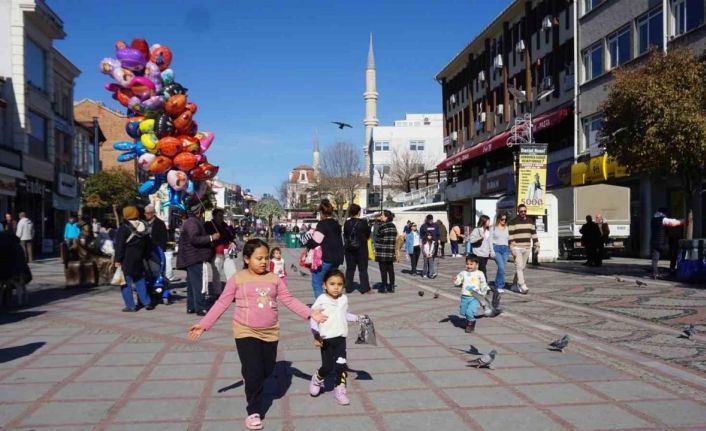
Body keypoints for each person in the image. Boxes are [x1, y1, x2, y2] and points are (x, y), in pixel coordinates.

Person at [188, 239, 326, 431]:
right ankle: (254, 411)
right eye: (258, 258)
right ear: (246, 258)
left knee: (267, 370)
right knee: (254, 373)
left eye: (266, 258)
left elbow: (289, 300)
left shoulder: (273, 279)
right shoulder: (238, 279)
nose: (263, 261)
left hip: (270, 332)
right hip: (245, 331)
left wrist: (311, 314)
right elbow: (221, 303)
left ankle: (250, 376)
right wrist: (204, 325)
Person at [308, 269, 362, 405]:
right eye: (332, 284)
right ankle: (317, 379)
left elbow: (344, 314)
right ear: (324, 285)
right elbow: (313, 318)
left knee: (341, 366)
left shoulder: (344, 299)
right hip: (326, 339)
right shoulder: (321, 300)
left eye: (339, 284)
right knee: (327, 367)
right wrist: (316, 335)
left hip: (340, 339)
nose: (336, 287)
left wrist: (356, 318)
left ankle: (340, 390)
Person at [177, 201, 219, 316]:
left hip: (192, 256)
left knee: (191, 284)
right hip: (194, 257)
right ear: (199, 211)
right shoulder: (192, 222)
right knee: (198, 284)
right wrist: (211, 237)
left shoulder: (193, 221)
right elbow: (194, 239)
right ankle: (200, 308)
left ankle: (191, 307)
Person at [114, 206, 153, 312]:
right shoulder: (144, 226)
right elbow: (148, 245)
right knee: (140, 281)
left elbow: (120, 246)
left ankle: (131, 306)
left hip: (127, 259)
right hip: (139, 259)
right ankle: (147, 302)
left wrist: (117, 260)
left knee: (126, 283)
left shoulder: (124, 228)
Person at [306, 199, 344, 299]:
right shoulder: (336, 224)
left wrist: (307, 243)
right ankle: (333, 304)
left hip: (326, 258)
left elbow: (316, 241)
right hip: (337, 258)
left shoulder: (322, 224)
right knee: (330, 283)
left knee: (317, 282)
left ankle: (322, 307)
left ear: (322, 213)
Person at [455, 255, 490, 333]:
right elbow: (458, 281)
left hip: (475, 297)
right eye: (467, 264)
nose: (469, 266)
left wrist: (483, 294)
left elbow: (483, 284)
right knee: (463, 312)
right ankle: (468, 321)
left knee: (470, 312)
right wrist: (456, 281)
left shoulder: (480, 273)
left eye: (471, 264)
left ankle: (471, 323)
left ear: (476, 265)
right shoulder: (463, 273)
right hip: (464, 296)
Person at [508, 204, 539, 294]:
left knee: (522, 268)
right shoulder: (513, 222)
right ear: (518, 211)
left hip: (527, 248)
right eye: (521, 211)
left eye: (525, 211)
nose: (523, 213)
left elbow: (534, 234)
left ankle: (514, 285)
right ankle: (522, 284)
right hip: (516, 247)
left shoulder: (530, 221)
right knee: (519, 267)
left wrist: (537, 245)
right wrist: (512, 248)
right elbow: (510, 236)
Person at [206, 208, 236, 296]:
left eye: (222, 215)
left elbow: (232, 236)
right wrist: (213, 237)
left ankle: (231, 292)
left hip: (228, 251)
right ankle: (217, 293)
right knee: (217, 274)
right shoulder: (209, 225)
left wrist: (233, 242)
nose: (221, 217)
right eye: (219, 215)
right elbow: (207, 237)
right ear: (214, 216)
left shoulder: (225, 225)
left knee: (232, 272)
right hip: (217, 252)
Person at [343, 204, 371, 294]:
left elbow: (345, 235)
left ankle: (348, 287)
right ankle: (364, 288)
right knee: (363, 269)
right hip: (361, 248)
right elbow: (368, 234)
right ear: (358, 212)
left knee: (350, 269)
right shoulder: (363, 222)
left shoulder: (347, 223)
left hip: (349, 249)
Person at [650, 208, 686, 279]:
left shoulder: (653, 220)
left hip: (654, 242)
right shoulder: (663, 219)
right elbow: (673, 223)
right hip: (663, 243)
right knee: (673, 252)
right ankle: (672, 269)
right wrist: (684, 220)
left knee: (655, 259)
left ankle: (655, 273)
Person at [374, 210, 398, 293]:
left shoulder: (382, 226)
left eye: (382, 215)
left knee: (383, 270)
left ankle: (383, 286)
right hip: (390, 251)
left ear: (387, 217)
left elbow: (377, 238)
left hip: (382, 252)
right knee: (390, 269)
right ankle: (391, 286)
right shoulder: (393, 226)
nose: (381, 217)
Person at [490, 213, 510, 293]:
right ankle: (499, 285)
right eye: (502, 219)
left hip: (505, 249)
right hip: (496, 248)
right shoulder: (493, 228)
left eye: (505, 219)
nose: (504, 221)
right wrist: (491, 251)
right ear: (498, 219)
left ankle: (497, 283)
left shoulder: (507, 228)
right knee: (501, 267)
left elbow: (509, 239)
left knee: (502, 268)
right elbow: (490, 240)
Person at [468, 215, 491, 280]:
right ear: (484, 221)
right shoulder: (477, 230)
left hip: (485, 254)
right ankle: (484, 284)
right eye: (488, 221)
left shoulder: (488, 231)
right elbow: (471, 240)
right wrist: (480, 237)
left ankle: (475, 281)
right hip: (478, 253)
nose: (489, 222)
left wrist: (490, 251)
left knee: (480, 270)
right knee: (483, 270)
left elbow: (489, 242)